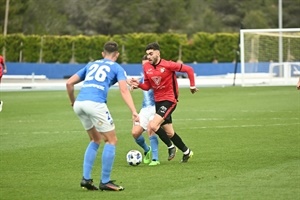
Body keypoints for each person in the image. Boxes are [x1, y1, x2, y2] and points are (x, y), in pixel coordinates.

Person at [66, 41, 139, 191]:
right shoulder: (117, 67)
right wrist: (133, 110)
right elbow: (124, 91)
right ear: (117, 55)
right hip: (95, 104)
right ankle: (105, 181)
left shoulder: (91, 64)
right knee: (111, 140)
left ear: (102, 54)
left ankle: (86, 179)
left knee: (95, 139)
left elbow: (69, 83)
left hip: (80, 103)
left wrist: (73, 102)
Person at [130, 42, 198, 163]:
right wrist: (138, 84)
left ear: (158, 53)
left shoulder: (168, 65)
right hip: (158, 102)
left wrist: (192, 86)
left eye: (151, 54)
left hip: (170, 100)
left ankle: (171, 147)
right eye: (147, 54)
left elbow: (189, 69)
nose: (149, 57)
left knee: (153, 125)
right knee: (170, 132)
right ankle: (187, 152)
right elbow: (147, 86)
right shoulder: (147, 67)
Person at [130, 55, 175, 166]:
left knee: (151, 127)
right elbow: (143, 84)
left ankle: (155, 159)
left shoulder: (158, 76)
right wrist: (135, 85)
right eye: (143, 65)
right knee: (135, 133)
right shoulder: (144, 77)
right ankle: (147, 149)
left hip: (156, 108)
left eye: (147, 64)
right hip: (145, 109)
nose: (145, 67)